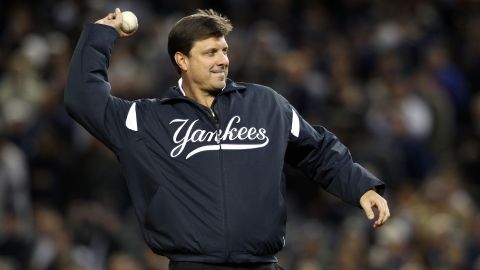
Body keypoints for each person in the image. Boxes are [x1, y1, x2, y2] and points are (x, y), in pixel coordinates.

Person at [64, 8, 390, 270]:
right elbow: (84, 99)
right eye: (210, 53)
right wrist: (100, 36)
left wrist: (361, 187)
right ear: (182, 60)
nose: (223, 60)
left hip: (263, 263)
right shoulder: (146, 120)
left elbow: (317, 151)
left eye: (224, 50)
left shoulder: (266, 105)